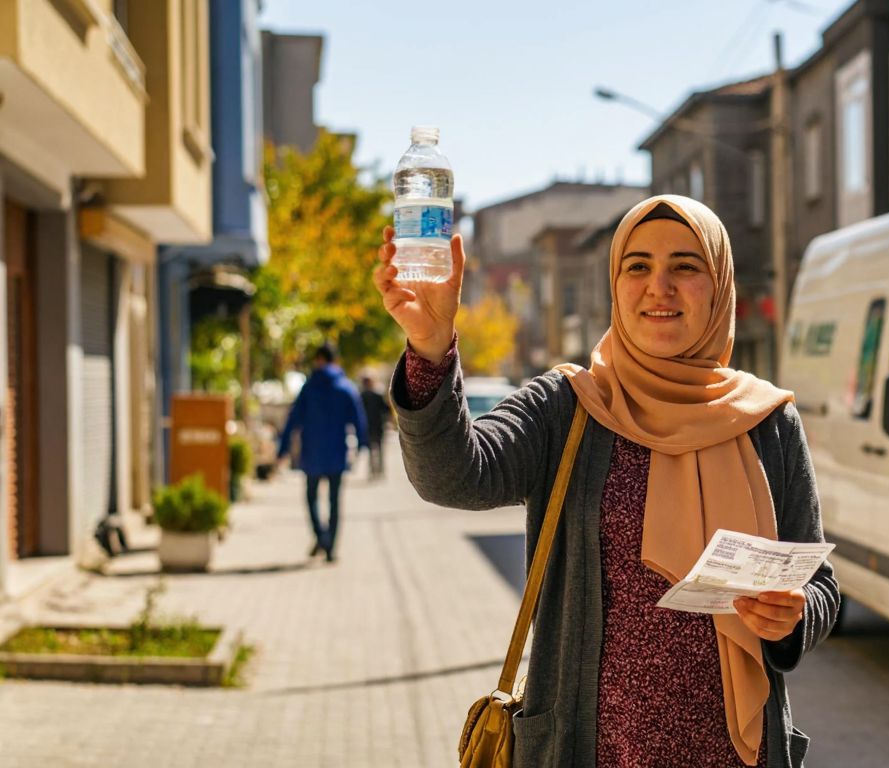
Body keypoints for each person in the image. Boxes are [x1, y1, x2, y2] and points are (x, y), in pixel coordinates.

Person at [374, 195, 838, 768]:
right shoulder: (569, 406)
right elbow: (455, 476)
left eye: (686, 267)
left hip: (735, 754)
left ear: (719, 285)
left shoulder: (768, 420)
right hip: (591, 751)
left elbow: (818, 584)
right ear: (615, 284)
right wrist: (429, 346)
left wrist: (794, 616)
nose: (658, 287)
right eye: (637, 266)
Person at [277, 343, 369, 563]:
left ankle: (321, 536)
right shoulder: (346, 388)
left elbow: (293, 420)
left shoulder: (309, 388)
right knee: (335, 501)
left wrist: (283, 449)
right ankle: (330, 548)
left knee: (311, 498)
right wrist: (363, 446)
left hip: (312, 454)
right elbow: (358, 420)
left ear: (318, 360)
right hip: (337, 453)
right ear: (335, 361)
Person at [359, 375, 390, 479]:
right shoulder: (377, 395)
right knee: (380, 449)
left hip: (368, 426)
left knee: (370, 450)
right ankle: (380, 470)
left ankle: (373, 470)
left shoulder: (361, 396)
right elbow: (386, 409)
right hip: (378, 425)